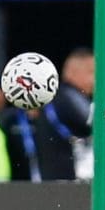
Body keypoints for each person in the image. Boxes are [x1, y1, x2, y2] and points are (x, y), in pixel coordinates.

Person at [33, 48, 94, 180]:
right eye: (91, 72)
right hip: (63, 181)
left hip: (59, 180)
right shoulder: (68, 95)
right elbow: (95, 124)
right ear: (72, 72)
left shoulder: (62, 96)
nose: (95, 79)